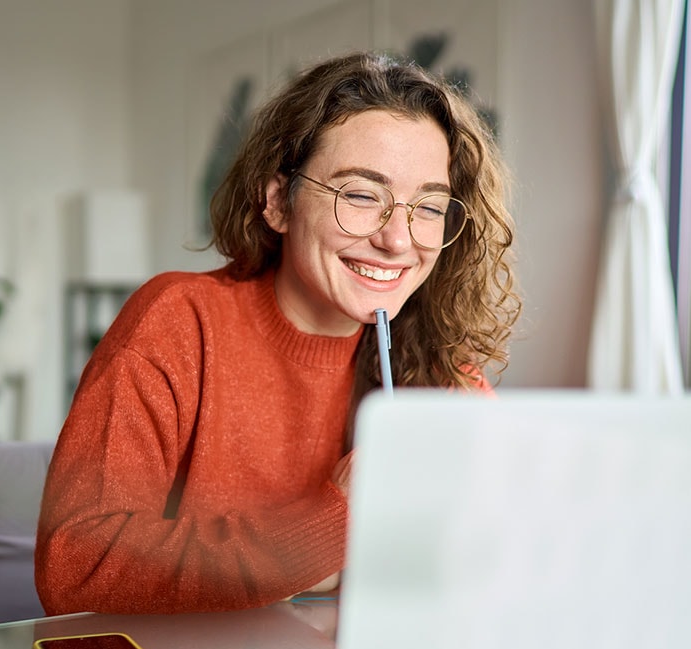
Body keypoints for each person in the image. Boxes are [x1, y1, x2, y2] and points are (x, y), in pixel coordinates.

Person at [35, 51, 521, 615]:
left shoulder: (436, 363)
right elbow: (76, 566)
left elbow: (500, 555)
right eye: (361, 195)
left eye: (429, 207)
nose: (398, 239)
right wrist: (334, 520)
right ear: (276, 202)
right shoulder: (178, 322)